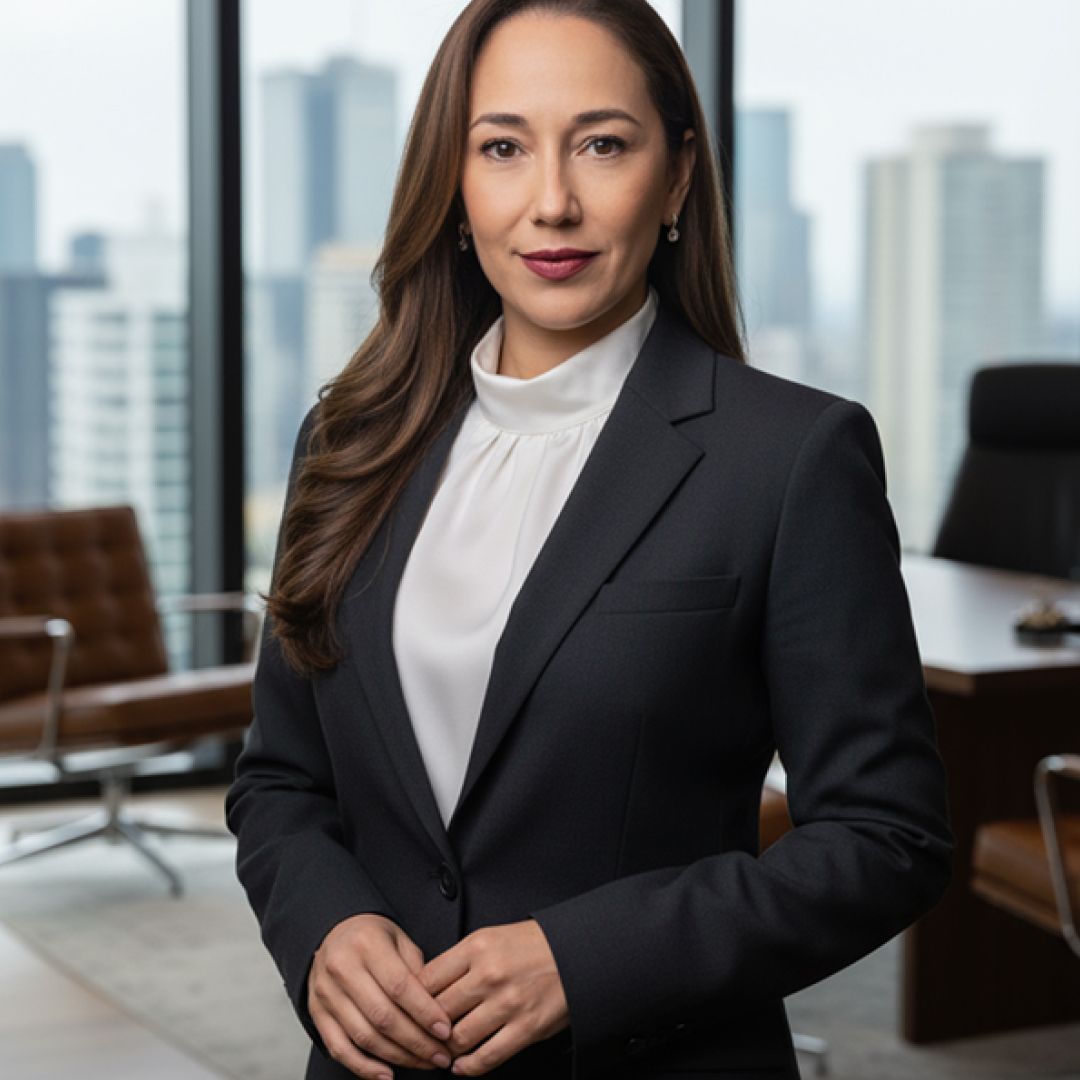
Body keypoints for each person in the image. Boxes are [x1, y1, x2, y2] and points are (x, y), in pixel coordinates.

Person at [226, 2, 955, 1078]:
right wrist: (323, 928)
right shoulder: (349, 441)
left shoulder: (789, 456)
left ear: (676, 177)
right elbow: (281, 780)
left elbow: (887, 838)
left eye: (603, 144)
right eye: (503, 147)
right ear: (455, 181)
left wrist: (587, 959)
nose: (551, 202)